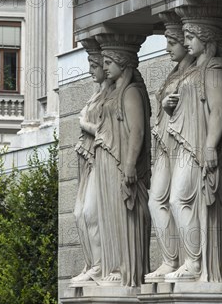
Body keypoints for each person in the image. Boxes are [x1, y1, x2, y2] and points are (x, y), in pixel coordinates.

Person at [164, 20, 222, 282]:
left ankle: (195, 263)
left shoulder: (215, 69)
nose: (185, 42)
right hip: (186, 143)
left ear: (205, 38)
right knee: (181, 201)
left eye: (189, 37)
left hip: (200, 146)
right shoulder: (194, 70)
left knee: (180, 199)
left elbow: (218, 111)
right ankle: (192, 261)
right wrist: (168, 105)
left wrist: (210, 146)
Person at [94, 35, 152, 286]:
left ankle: (127, 270)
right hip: (107, 162)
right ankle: (113, 265)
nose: (105, 66)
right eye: (103, 62)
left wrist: (129, 164)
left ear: (122, 61)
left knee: (123, 215)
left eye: (109, 61)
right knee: (107, 215)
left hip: (120, 163)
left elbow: (137, 130)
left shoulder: (130, 92)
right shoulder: (112, 92)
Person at [146, 21, 195, 281]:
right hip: (164, 144)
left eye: (172, 42)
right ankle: (170, 259)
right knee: (156, 201)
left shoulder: (194, 72)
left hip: (182, 143)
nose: (167, 48)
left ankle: (191, 260)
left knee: (179, 200)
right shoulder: (173, 74)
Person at [72, 40, 107, 283]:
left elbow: (108, 131)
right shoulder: (97, 94)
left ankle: (100, 264)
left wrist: (84, 124)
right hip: (87, 158)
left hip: (100, 158)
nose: (90, 70)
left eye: (95, 65)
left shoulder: (113, 94)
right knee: (78, 213)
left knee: (91, 212)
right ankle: (91, 263)